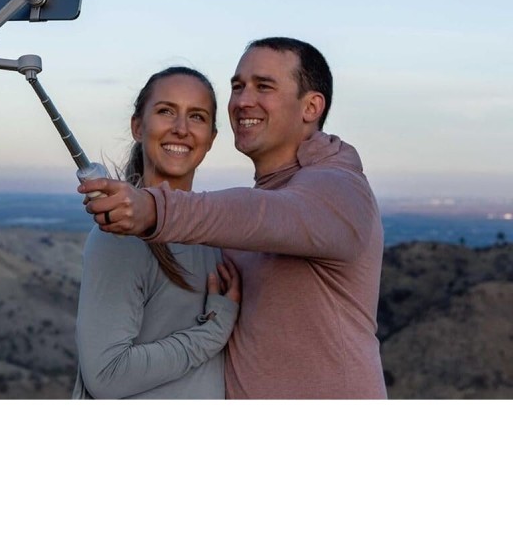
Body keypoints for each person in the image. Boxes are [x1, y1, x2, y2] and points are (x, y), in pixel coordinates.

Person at [79, 38, 387, 399]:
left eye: (264, 86)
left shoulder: (339, 189)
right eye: (238, 87)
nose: (242, 101)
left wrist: (153, 208)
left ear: (310, 107)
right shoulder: (229, 231)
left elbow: (266, 216)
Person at [73, 66, 241, 399]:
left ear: (211, 138)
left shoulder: (212, 233)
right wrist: (212, 332)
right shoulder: (120, 237)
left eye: (196, 116)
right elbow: (106, 375)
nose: (181, 129)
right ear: (138, 126)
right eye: (166, 111)